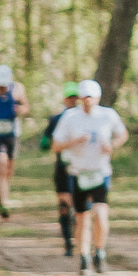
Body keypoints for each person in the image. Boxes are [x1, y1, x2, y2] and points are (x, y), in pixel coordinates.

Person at [54, 79, 128, 272]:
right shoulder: (69, 117)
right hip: (78, 173)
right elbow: (56, 145)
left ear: (98, 98)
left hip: (100, 172)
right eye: (84, 98)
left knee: (101, 214)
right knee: (82, 218)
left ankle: (100, 251)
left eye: (91, 98)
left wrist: (111, 145)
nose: (88, 101)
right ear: (80, 98)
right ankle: (84, 257)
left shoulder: (108, 115)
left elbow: (122, 134)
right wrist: (73, 141)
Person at [0, 64, 26, 217]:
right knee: (1, 165)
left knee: (9, 169)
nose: (1, 88)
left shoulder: (18, 89)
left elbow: (26, 106)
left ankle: (2, 192)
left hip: (12, 134)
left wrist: (20, 110)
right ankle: (4, 202)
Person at [51, 80, 83, 255]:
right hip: (62, 166)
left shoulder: (85, 118)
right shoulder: (57, 118)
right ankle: (67, 243)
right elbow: (48, 140)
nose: (73, 101)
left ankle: (80, 240)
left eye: (75, 98)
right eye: (70, 98)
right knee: (64, 205)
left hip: (81, 167)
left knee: (79, 206)